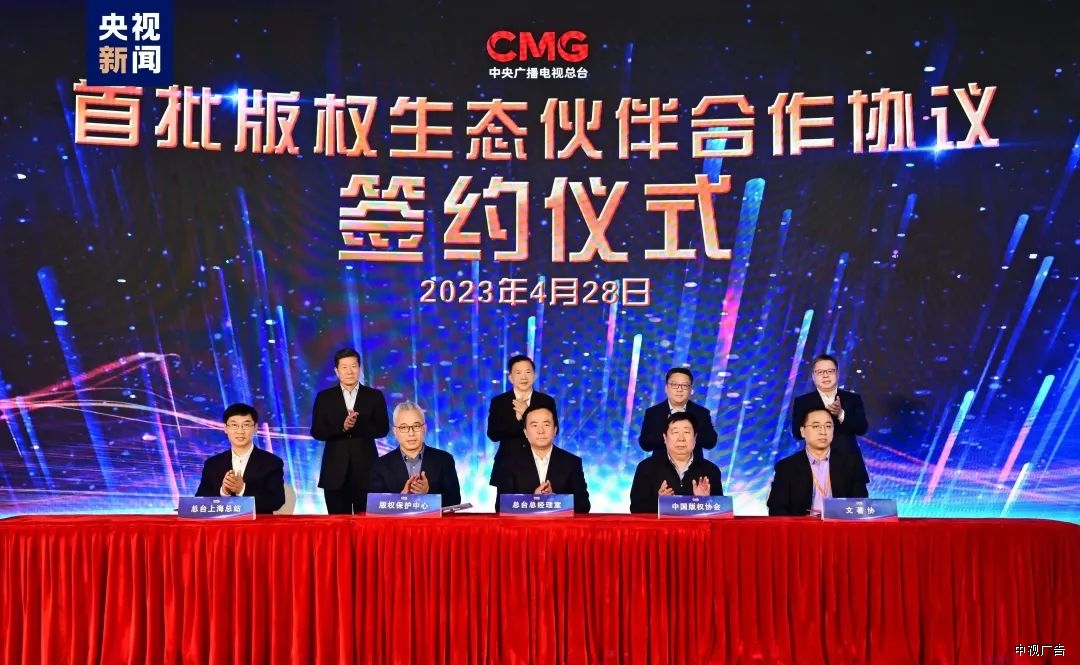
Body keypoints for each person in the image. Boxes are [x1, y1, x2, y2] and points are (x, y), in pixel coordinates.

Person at [310, 348, 390, 514]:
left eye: (353, 366)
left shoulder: (374, 396)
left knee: (367, 525)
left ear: (359, 368)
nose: (349, 371)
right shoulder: (324, 397)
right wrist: (342, 427)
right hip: (334, 474)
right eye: (344, 367)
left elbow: (383, 429)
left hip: (367, 472)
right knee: (338, 525)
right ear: (336, 371)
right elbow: (317, 431)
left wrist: (357, 424)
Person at [768, 407, 869, 516]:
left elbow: (861, 505)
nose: (823, 432)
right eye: (816, 426)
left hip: (840, 525)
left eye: (828, 426)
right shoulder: (786, 467)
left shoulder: (851, 463)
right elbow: (776, 510)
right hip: (802, 526)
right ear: (803, 431)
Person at [790, 353, 870, 484]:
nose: (825, 375)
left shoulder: (852, 399)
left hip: (849, 469)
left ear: (837, 374)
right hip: (816, 469)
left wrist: (841, 414)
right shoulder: (803, 402)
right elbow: (797, 434)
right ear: (813, 376)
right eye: (820, 372)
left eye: (830, 371)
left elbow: (862, 429)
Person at [497, 405, 590, 513]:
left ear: (555, 430)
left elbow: (584, 505)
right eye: (534, 425)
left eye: (546, 424)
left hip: (559, 524)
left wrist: (555, 500)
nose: (540, 431)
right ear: (525, 432)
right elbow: (500, 506)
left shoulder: (572, 462)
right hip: (524, 524)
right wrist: (534, 500)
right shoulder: (509, 463)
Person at [195, 403, 285, 514]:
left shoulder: (272, 463)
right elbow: (200, 501)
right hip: (221, 524)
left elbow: (276, 501)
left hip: (257, 524)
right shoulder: (212, 464)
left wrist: (242, 489)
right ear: (225, 428)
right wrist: (223, 492)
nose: (240, 431)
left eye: (246, 425)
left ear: (255, 428)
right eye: (234, 425)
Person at [369, 401, 462, 507]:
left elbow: (455, 501)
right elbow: (374, 506)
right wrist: (401, 499)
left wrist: (428, 494)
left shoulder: (444, 460)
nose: (411, 433)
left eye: (416, 426)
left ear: (424, 428)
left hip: (433, 519)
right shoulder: (380, 465)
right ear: (395, 432)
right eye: (404, 427)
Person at [486, 354, 558, 490]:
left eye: (528, 372)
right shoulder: (499, 402)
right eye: (518, 372)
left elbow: (555, 430)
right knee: (506, 504)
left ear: (534, 375)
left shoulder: (546, 401)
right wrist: (519, 422)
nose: (523, 377)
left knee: (539, 502)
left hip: (540, 465)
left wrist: (527, 415)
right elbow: (493, 434)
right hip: (507, 467)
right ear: (510, 377)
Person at [629, 412, 724, 513]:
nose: (681, 439)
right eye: (675, 432)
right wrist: (659, 502)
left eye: (686, 432)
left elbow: (722, 511)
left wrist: (705, 501)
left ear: (695, 437)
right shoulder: (646, 468)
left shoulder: (711, 470)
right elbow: (635, 508)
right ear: (665, 438)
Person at [638, 368, 718, 457]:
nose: (679, 389)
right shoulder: (653, 412)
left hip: (693, 464)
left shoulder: (701, 413)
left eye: (684, 385)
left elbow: (711, 442)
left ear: (690, 389)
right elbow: (645, 444)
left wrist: (689, 432)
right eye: (674, 385)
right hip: (660, 464)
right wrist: (670, 433)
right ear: (666, 388)